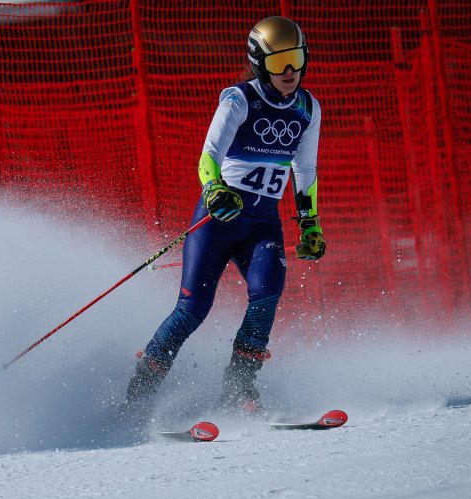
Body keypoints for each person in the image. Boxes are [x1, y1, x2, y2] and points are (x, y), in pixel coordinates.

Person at [120, 16, 326, 422]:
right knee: (192, 309)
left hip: (262, 223)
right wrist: (215, 190)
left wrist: (310, 223)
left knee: (266, 293)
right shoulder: (239, 100)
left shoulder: (308, 108)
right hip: (219, 219)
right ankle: (139, 394)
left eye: (296, 59)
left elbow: (304, 169)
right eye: (278, 62)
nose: (289, 71)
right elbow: (209, 156)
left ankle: (239, 387)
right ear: (259, 63)